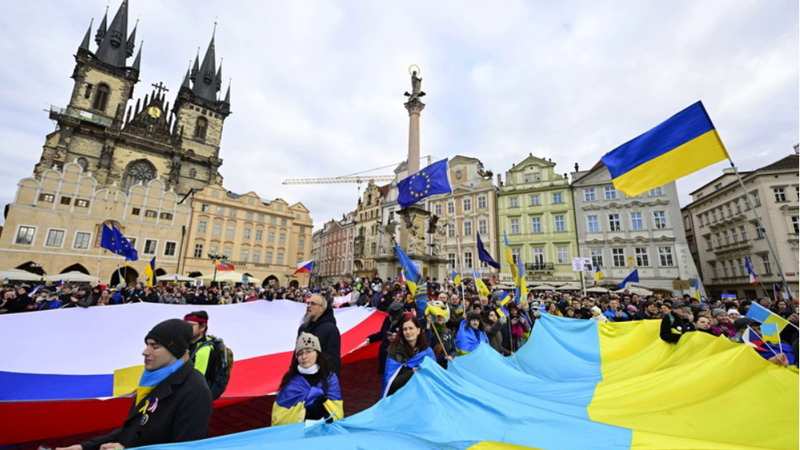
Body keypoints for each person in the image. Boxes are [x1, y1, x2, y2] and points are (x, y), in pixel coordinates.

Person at [56, 319, 212, 450]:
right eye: (147, 344)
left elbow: (185, 448)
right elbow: (133, 429)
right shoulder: (154, 378)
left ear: (176, 350)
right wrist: (84, 447)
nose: (145, 351)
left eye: (155, 346)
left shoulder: (195, 391)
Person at [271, 333, 343, 425]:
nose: (304, 357)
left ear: (317, 353)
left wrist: (324, 411)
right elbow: (279, 420)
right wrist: (307, 412)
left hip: (325, 434)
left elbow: (337, 412)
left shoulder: (330, 378)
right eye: (300, 353)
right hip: (299, 436)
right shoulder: (290, 382)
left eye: (308, 351)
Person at [383, 315, 436, 396]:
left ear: (418, 330)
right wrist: (412, 372)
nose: (408, 332)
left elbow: (434, 376)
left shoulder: (427, 351)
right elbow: (390, 383)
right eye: (405, 329)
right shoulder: (394, 351)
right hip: (401, 397)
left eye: (411, 328)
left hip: (422, 395)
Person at [184, 311, 228, 399]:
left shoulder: (204, 351)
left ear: (202, 327)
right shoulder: (191, 343)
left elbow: (195, 383)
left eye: (191, 326)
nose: (186, 328)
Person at [298, 293, 342, 373]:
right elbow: (297, 354)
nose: (308, 306)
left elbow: (333, 361)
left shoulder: (331, 329)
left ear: (322, 308)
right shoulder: (303, 328)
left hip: (321, 379)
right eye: (308, 303)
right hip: (301, 377)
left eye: (313, 303)